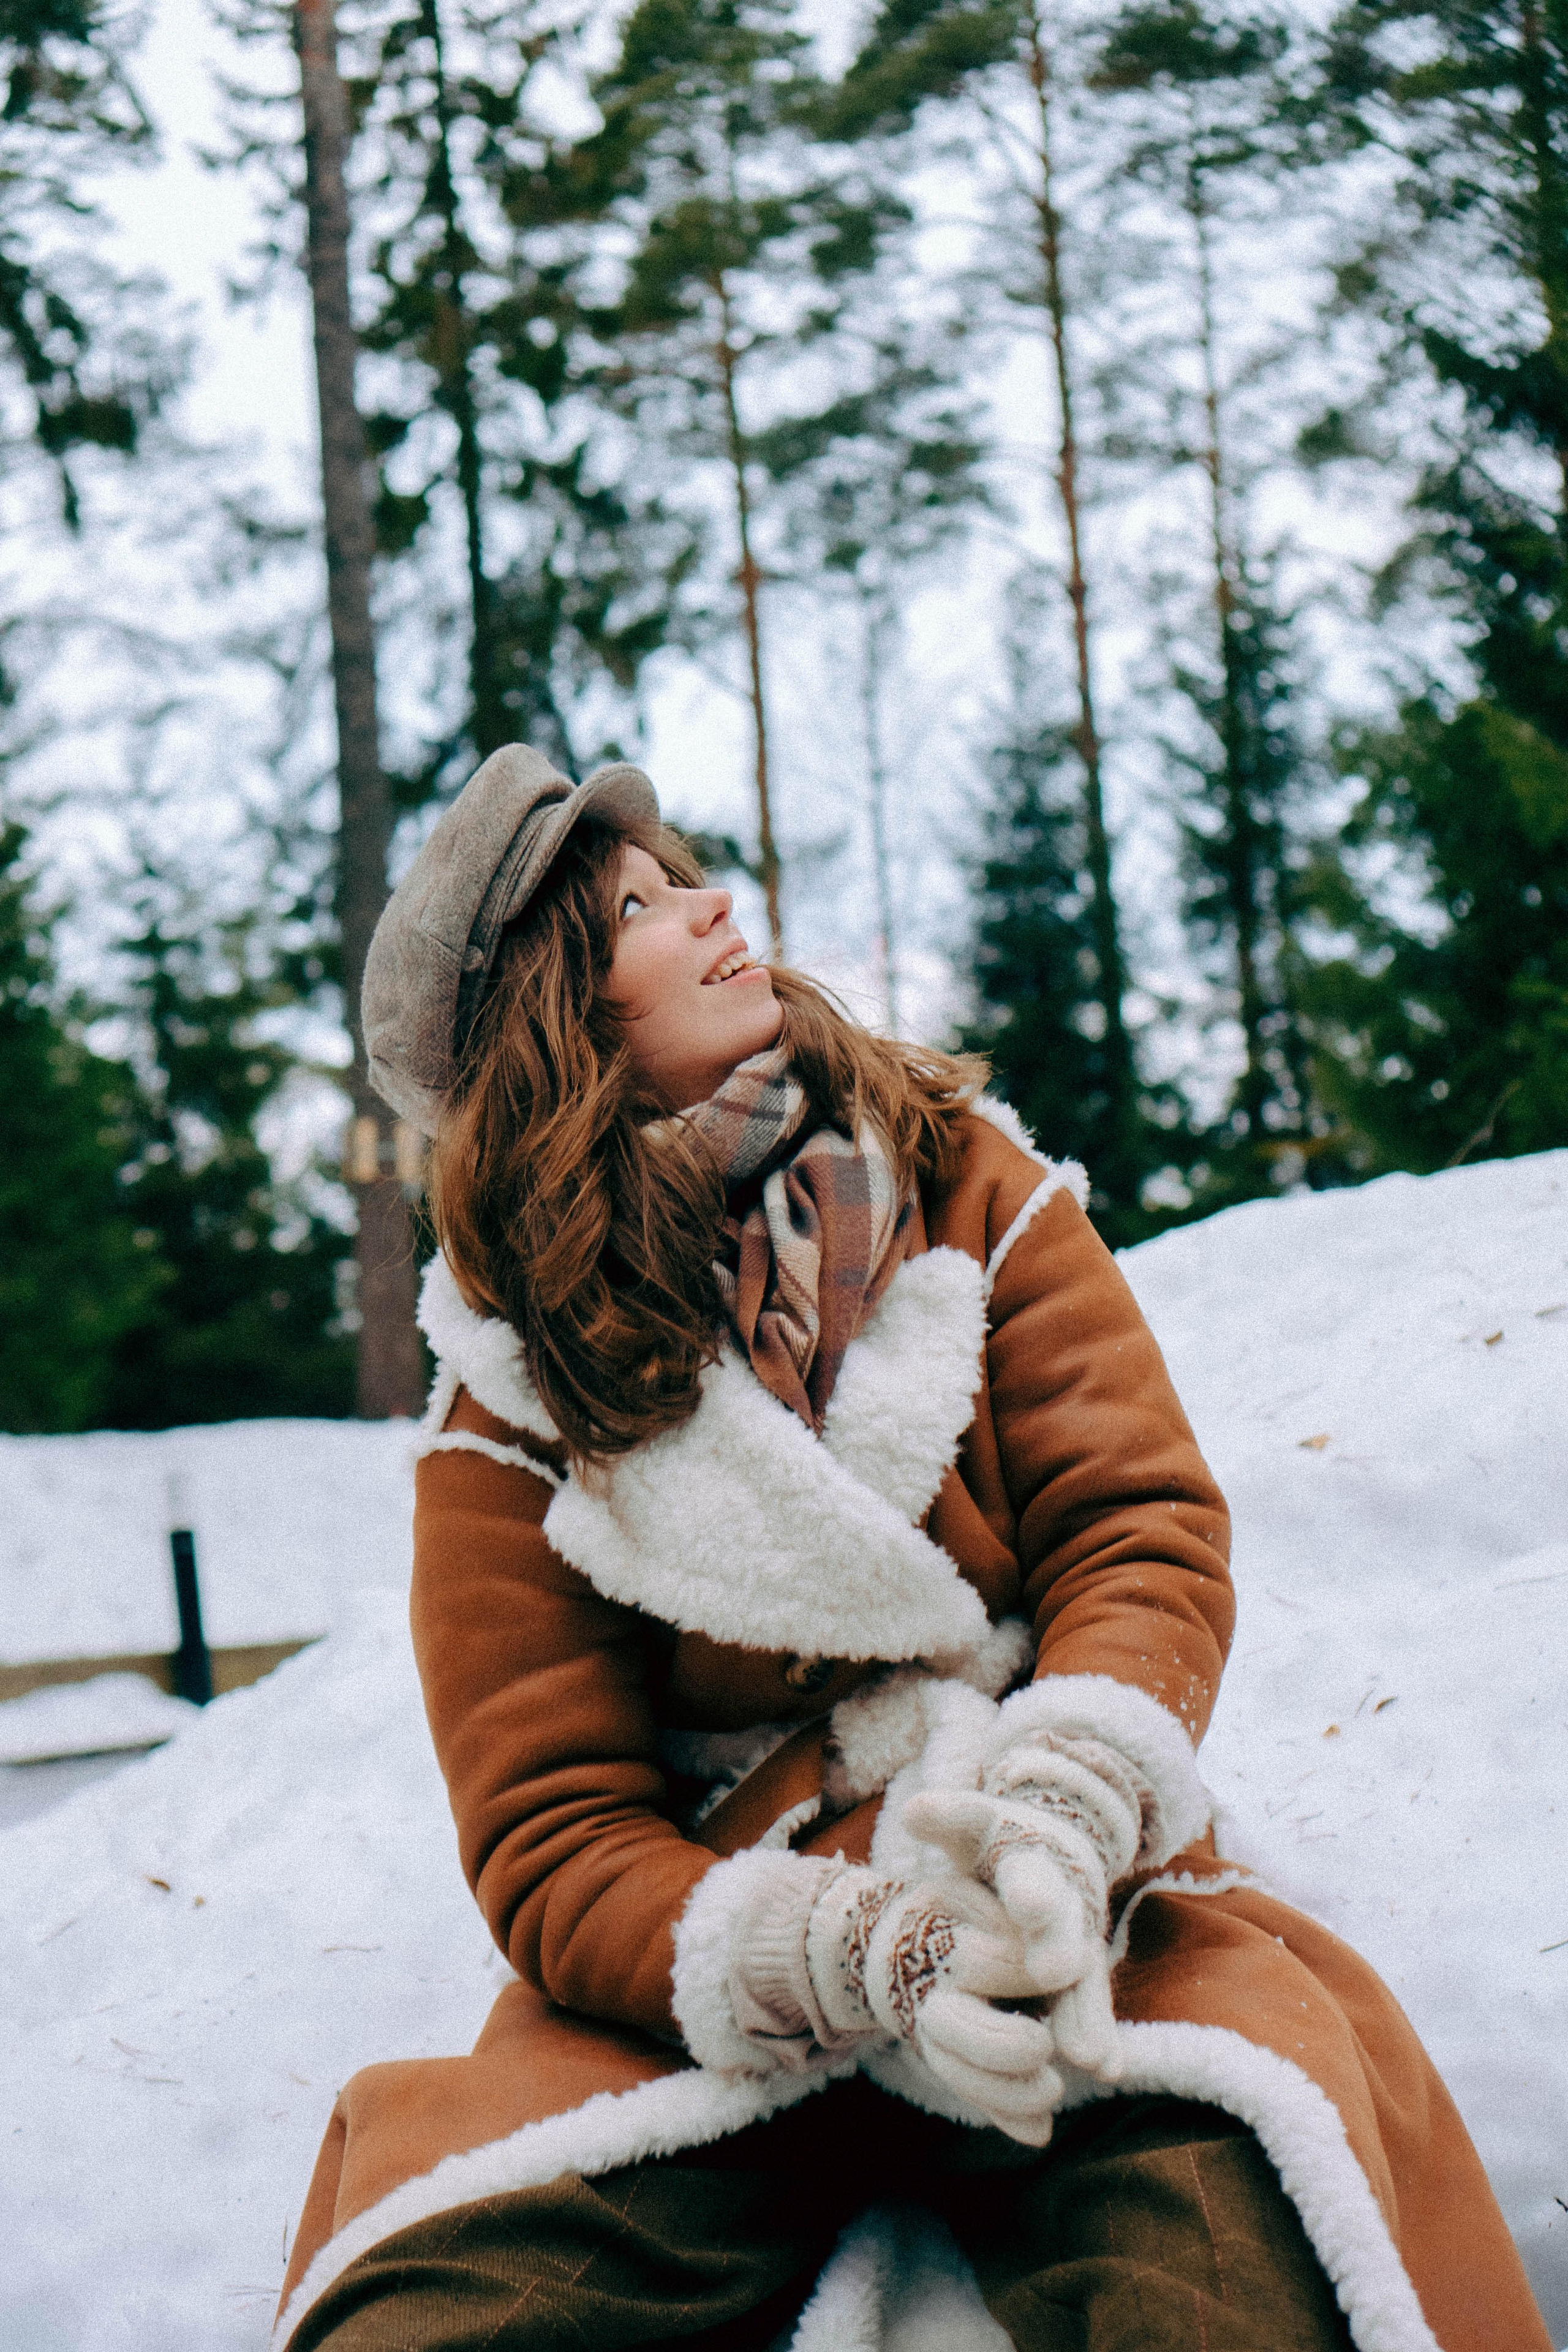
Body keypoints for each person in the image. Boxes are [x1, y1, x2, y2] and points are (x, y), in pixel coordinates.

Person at [274, 746, 1548, 2352]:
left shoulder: (967, 1181)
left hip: (1051, 1895)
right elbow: (555, 1832)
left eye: (684, 877)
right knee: (444, 2322)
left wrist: (1064, 1813)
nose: (712, 907)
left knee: (1235, 2272)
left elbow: (1135, 1534)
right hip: (721, 1969)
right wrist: (842, 1951)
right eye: (641, 911)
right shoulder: (511, 1399)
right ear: (557, 1023)